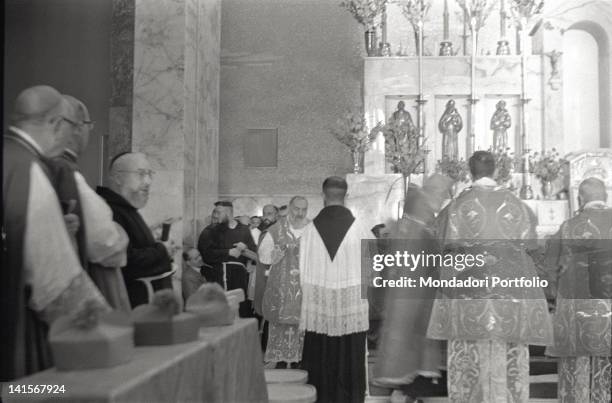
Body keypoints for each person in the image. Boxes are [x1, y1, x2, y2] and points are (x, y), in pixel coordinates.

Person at [427, 151, 553, 403]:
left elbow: (439, 248)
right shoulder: (517, 205)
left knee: (470, 356)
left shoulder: (455, 208)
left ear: (469, 172)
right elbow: (531, 248)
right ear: (496, 171)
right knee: (506, 352)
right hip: (509, 294)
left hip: (468, 294)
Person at [2, 86, 109, 380]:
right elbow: (53, 275)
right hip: (18, 319)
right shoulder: (28, 172)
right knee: (35, 391)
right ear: (57, 124)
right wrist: (99, 328)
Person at [47, 95, 130, 311]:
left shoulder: (43, 166)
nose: (89, 132)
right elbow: (103, 242)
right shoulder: (64, 171)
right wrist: (121, 234)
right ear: (75, 127)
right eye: (88, 125)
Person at [299, 176, 371, 403]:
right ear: (346, 196)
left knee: (320, 356)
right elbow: (372, 273)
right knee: (350, 357)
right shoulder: (361, 229)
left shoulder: (309, 232)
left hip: (319, 309)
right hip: (352, 309)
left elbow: (302, 273)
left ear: (323, 196)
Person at [373, 185, 446, 403]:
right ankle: (411, 392)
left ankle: (403, 390)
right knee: (417, 348)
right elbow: (435, 267)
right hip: (419, 301)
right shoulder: (424, 234)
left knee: (401, 346)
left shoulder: (399, 228)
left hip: (398, 300)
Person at [543, 177, 611, 403]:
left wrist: (552, 298)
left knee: (576, 361)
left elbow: (550, 266)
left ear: (580, 199)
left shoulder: (569, 226)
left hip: (578, 311)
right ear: (606, 197)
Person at [97, 152, 174, 308]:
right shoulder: (108, 210)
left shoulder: (125, 209)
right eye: (141, 174)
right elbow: (126, 261)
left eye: (149, 174)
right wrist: (162, 250)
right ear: (118, 178)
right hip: (133, 305)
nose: (148, 182)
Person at [259, 196, 309, 367]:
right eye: (296, 209)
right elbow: (263, 256)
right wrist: (273, 256)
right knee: (279, 323)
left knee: (303, 323)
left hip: (304, 288)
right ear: (289, 207)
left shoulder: (312, 230)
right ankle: (278, 360)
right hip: (280, 287)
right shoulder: (276, 230)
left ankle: (300, 360)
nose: (300, 213)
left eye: (304, 209)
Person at [200, 201, 257, 317]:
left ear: (229, 212)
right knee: (223, 309)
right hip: (219, 274)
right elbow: (205, 254)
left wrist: (245, 248)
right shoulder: (210, 231)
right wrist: (228, 252)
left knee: (240, 308)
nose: (215, 215)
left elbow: (255, 252)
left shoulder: (244, 229)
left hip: (240, 276)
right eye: (215, 212)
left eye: (219, 212)